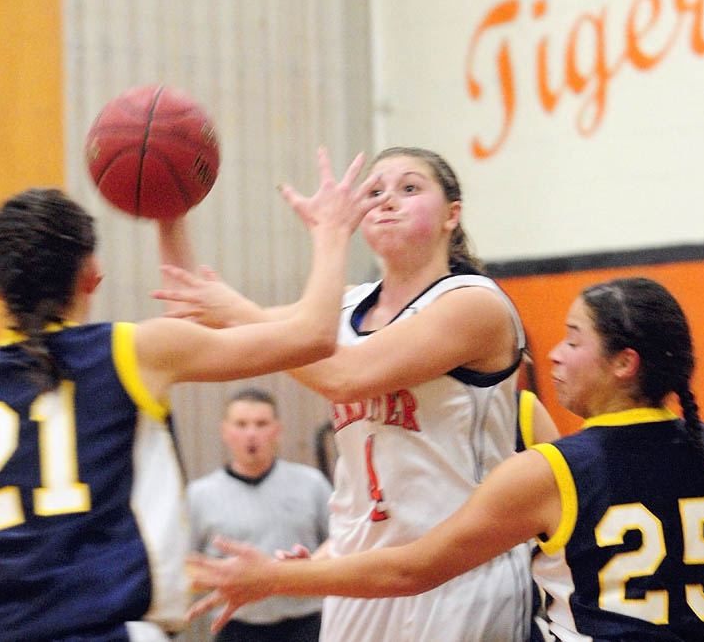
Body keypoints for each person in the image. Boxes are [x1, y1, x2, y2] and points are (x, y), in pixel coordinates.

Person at [0, 148, 380, 642]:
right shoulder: (128, 352)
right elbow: (314, 336)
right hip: (104, 631)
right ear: (92, 274)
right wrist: (333, 233)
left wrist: (171, 219)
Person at [157, 147, 560, 641]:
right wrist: (168, 207)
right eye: (374, 192)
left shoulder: (473, 303)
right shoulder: (345, 305)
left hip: (457, 582)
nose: (386, 200)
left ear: (452, 215)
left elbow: (345, 375)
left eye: (409, 188)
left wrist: (316, 248)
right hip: (359, 583)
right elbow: (199, 318)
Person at [185, 276, 704, 641]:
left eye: (574, 340)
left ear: (625, 363)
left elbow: (409, 569)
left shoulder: (551, 468)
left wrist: (274, 579)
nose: (553, 353)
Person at [188, 387, 331, 641]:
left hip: (306, 625)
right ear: (225, 432)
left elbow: (342, 541)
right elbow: (184, 567)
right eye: (241, 424)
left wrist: (297, 574)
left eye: (261, 424)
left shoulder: (312, 484)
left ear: (277, 430)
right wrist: (229, 575)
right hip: (235, 628)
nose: (251, 434)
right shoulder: (199, 495)